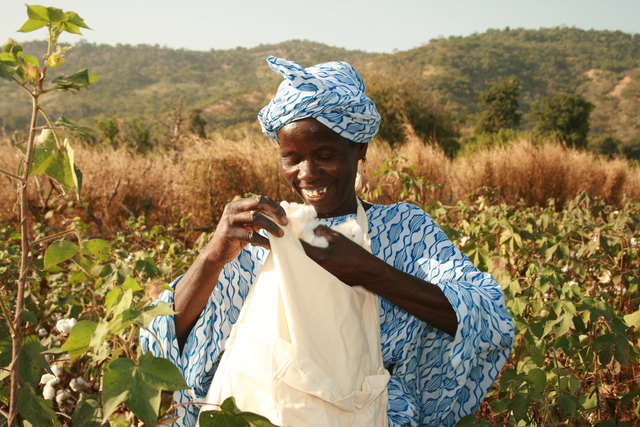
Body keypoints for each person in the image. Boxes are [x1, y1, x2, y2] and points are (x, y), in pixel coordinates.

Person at [141, 56, 514, 426]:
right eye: (292, 158)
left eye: (325, 155)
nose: (307, 173)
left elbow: (486, 318)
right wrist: (212, 256)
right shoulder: (263, 237)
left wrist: (367, 271)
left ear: (360, 150)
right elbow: (164, 338)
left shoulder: (403, 228)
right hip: (266, 412)